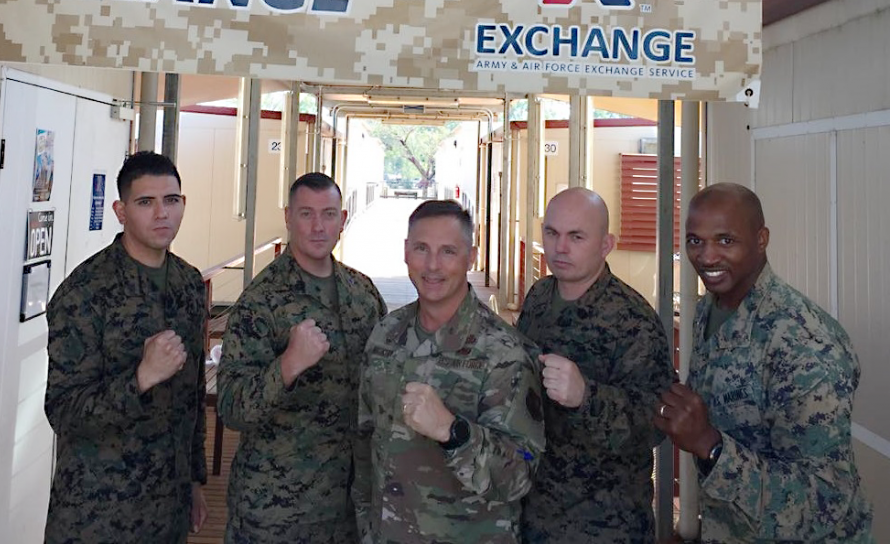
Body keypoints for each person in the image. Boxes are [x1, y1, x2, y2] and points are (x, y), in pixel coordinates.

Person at [655, 182, 873, 543]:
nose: (707, 257)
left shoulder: (803, 345)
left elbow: (825, 501)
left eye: (726, 240)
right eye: (696, 241)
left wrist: (710, 445)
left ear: (761, 239)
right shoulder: (711, 307)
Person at [355, 200, 544, 544]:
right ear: (405, 252)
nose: (432, 265)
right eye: (421, 249)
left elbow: (523, 468)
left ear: (470, 257)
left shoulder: (503, 352)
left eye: (448, 252)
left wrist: (453, 431)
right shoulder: (385, 335)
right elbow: (366, 440)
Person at [43, 151, 208, 544]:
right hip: (98, 513)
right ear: (120, 210)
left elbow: (193, 393)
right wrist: (140, 378)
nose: (161, 214)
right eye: (145, 203)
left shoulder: (187, 284)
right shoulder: (85, 293)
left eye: (171, 201)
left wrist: (195, 480)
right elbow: (65, 412)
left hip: (167, 509)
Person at [218, 172, 386, 544]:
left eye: (328, 214)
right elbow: (231, 407)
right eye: (306, 214)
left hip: (348, 505)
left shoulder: (362, 292)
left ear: (342, 220)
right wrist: (288, 364)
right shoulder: (261, 301)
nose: (317, 226)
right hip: (278, 510)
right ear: (288, 217)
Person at [517, 187, 675, 544]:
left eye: (576, 236)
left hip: (603, 523)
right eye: (552, 233)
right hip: (534, 509)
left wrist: (587, 396)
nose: (560, 248)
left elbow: (656, 422)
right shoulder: (540, 297)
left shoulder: (633, 321)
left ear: (606, 245)